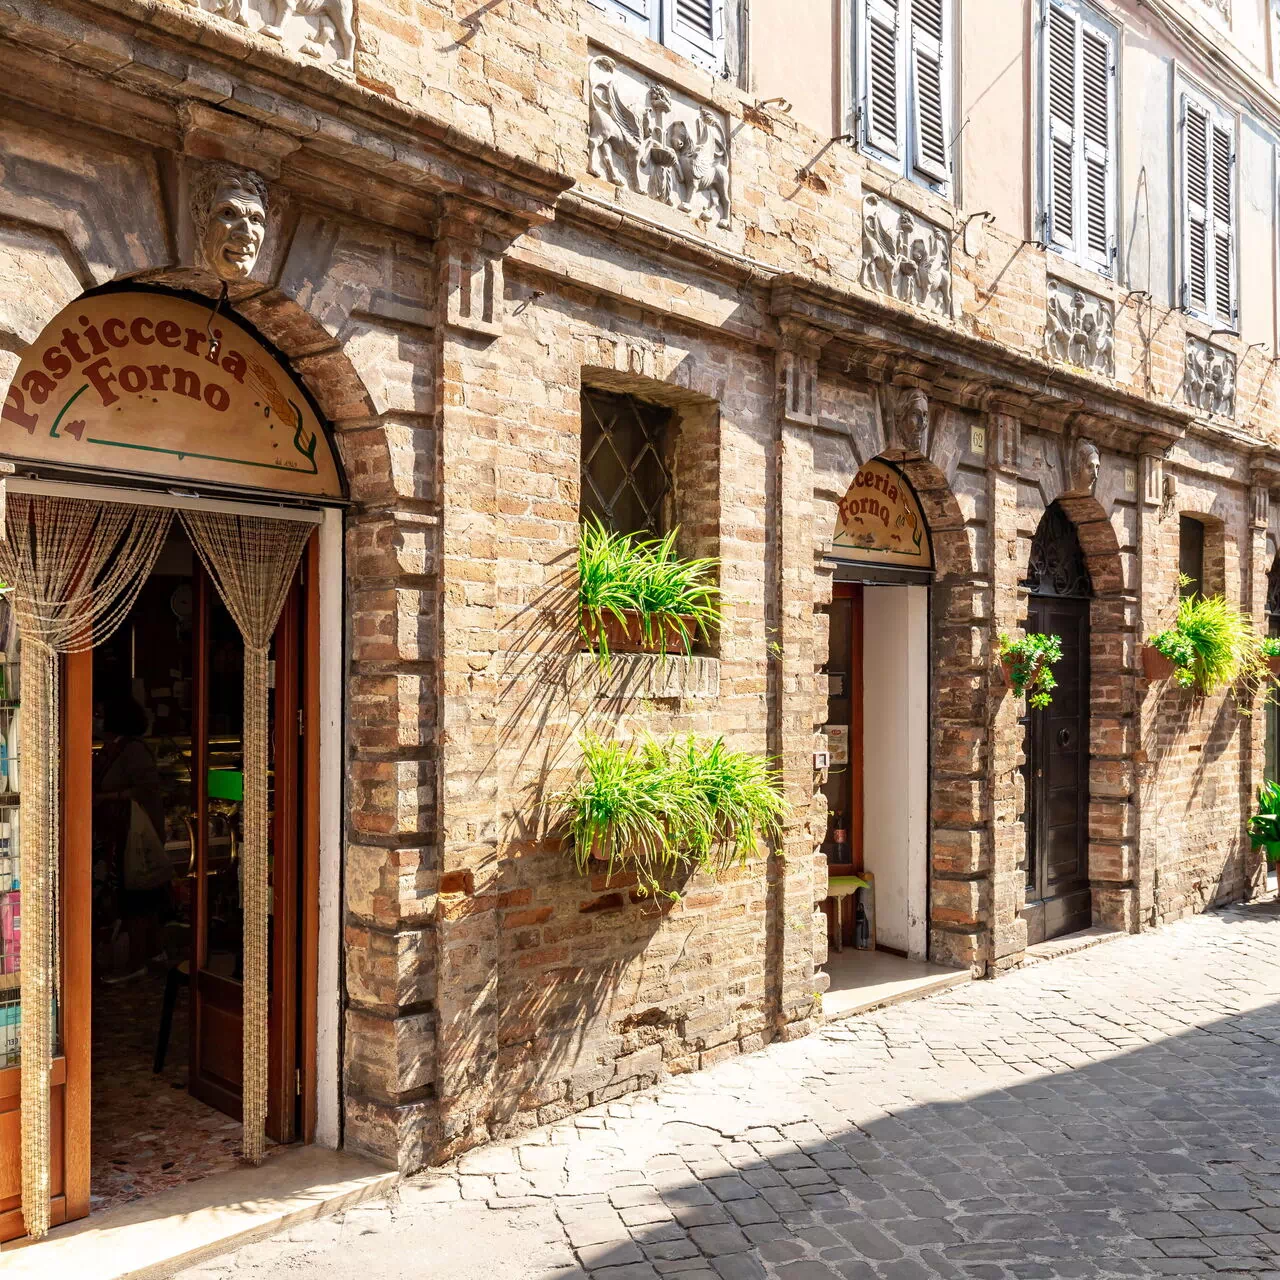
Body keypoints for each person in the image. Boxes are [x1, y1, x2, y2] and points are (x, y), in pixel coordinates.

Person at [94, 691, 170, 978]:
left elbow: (147, 789)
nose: (95, 720)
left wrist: (105, 797)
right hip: (117, 833)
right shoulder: (110, 748)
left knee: (136, 896)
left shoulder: (133, 750)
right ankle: (151, 953)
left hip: (133, 836)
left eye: (99, 715)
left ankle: (137, 959)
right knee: (137, 897)